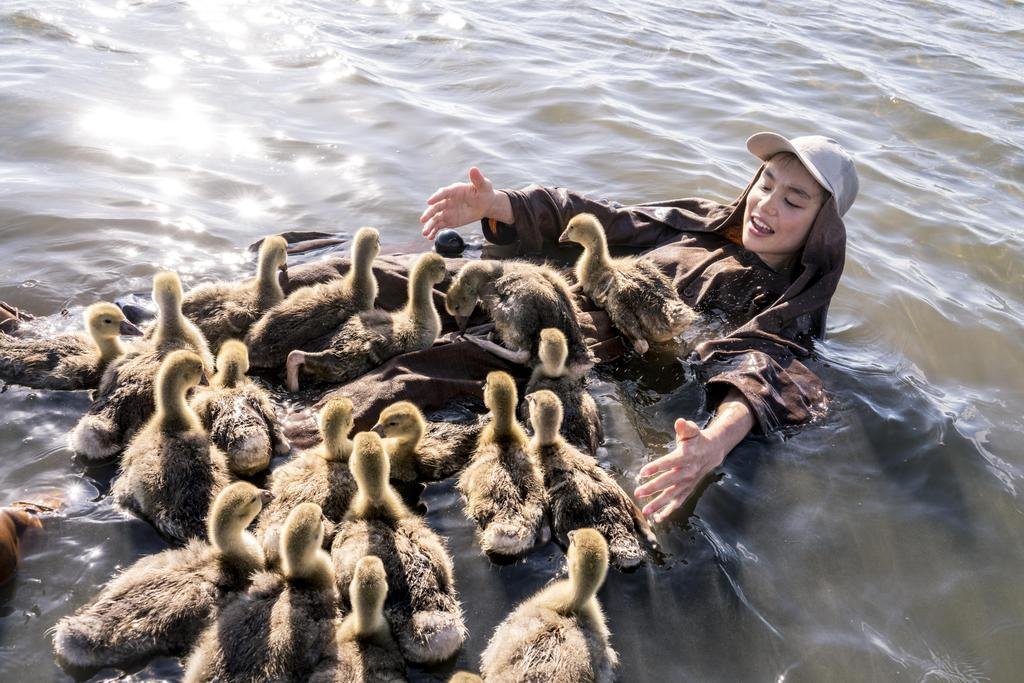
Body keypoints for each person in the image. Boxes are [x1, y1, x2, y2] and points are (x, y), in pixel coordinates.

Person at [419, 132, 859, 522]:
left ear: (821, 229)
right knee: (396, 278)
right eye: (765, 184)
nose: (766, 204)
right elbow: (606, 220)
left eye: (793, 200)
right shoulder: (697, 222)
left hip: (576, 346)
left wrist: (714, 443)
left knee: (418, 374)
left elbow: (768, 369)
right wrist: (501, 205)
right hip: (535, 294)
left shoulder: (784, 306)